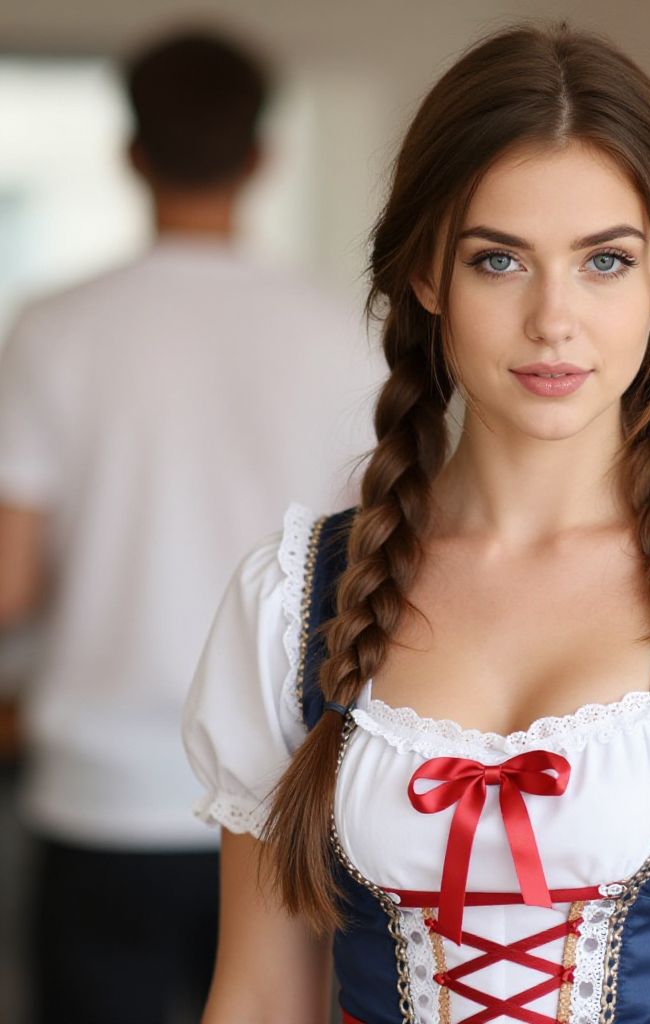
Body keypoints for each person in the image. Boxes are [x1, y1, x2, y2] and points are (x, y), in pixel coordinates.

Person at [183, 24, 650, 1024]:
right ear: (428, 278)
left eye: (605, 262)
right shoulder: (292, 596)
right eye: (499, 261)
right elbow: (260, 999)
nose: (554, 319)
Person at [0, 28, 383, 1024]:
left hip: (100, 791)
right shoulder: (343, 335)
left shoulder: (54, 327)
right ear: (265, 156)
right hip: (290, 789)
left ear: (129, 152)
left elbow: (9, 581)